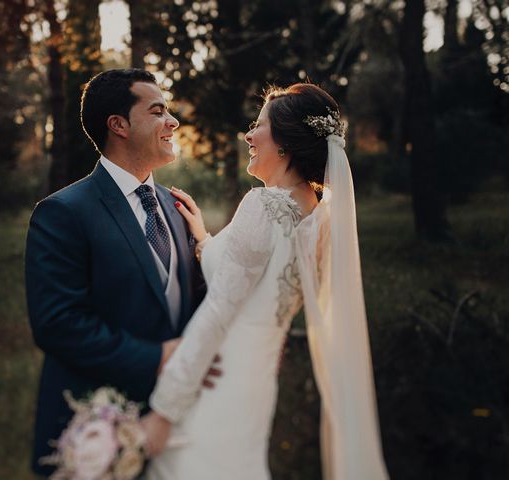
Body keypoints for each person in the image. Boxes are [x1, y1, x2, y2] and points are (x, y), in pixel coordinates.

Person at [140, 83, 390, 480]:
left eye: (258, 126)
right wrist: (205, 240)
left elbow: (220, 310)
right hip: (256, 386)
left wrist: (164, 409)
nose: (248, 135)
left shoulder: (263, 205)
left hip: (216, 380)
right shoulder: (321, 221)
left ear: (286, 143)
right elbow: (259, 284)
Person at [24, 68, 211, 477]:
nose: (172, 122)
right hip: (95, 428)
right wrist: (156, 357)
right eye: (158, 111)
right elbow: (58, 324)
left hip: (174, 424)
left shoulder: (177, 207)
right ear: (118, 125)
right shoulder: (63, 213)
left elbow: (193, 303)